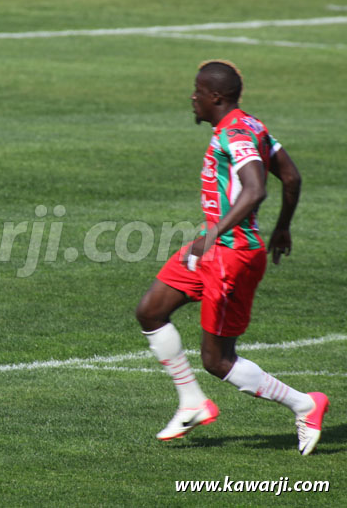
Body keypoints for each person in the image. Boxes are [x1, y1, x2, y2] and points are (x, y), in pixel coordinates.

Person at [135, 60, 328, 455]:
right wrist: (282, 227)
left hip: (231, 254)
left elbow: (256, 189)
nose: (193, 98)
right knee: (150, 311)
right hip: (213, 249)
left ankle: (304, 405)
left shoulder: (236, 134)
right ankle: (192, 402)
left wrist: (214, 234)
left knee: (218, 360)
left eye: (198, 91)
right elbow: (291, 177)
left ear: (216, 97)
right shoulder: (252, 126)